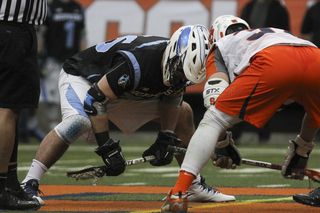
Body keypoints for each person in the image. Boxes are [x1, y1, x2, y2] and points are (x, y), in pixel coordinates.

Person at [21, 24, 236, 207]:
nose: (180, 78)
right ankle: (29, 183)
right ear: (173, 55)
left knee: (185, 111)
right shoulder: (139, 62)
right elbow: (95, 100)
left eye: (185, 77)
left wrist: (166, 136)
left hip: (121, 91)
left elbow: (173, 96)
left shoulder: (178, 67)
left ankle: (192, 185)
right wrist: (107, 148)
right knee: (78, 122)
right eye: (179, 72)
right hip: (85, 79)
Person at [161, 15, 320, 212]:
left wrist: (222, 144)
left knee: (211, 121)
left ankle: (179, 192)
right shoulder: (267, 35)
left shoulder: (219, 47)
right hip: (314, 55)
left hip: (274, 60)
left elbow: (214, 104)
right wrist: (301, 150)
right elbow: (315, 114)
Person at [0, 0, 47, 210]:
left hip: (11, 29)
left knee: (11, 107)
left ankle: (9, 184)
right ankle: (1, 189)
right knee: (8, 108)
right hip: (12, 30)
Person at [234, 0, 291, 144]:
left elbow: (286, 34)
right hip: (249, 55)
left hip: (270, 55)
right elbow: (241, 31)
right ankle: (235, 134)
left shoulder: (279, 9)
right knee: (242, 92)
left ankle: (263, 135)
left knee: (266, 95)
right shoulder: (249, 6)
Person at [37, 0, 87, 134]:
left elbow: (82, 34)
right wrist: (39, 54)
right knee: (51, 98)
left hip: (72, 60)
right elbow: (41, 32)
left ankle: (65, 129)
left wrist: (83, 58)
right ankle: (52, 130)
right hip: (52, 59)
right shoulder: (50, 8)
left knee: (69, 96)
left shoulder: (79, 8)